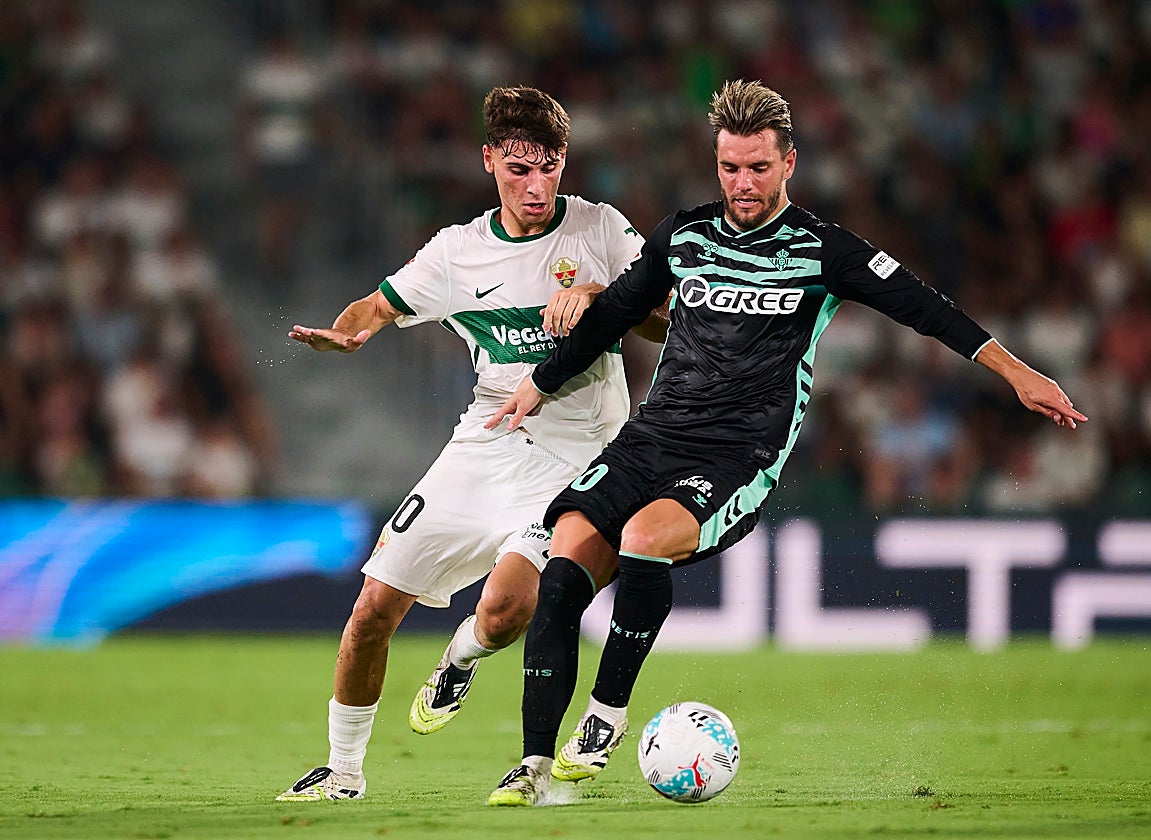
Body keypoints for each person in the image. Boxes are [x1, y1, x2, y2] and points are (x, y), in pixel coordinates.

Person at [483, 79, 1088, 806]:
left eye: (758, 168)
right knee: (562, 563)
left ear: (789, 164)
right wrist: (541, 383)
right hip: (651, 438)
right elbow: (614, 313)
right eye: (730, 168)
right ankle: (534, 767)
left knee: (643, 539)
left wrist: (1017, 373)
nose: (742, 183)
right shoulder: (683, 235)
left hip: (737, 455)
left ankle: (606, 718)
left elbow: (930, 311)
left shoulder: (824, 251)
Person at [276, 86, 664, 801]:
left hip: (576, 456)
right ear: (489, 162)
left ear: (563, 162)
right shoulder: (459, 252)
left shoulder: (600, 229)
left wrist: (606, 295)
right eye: (519, 169)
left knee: (504, 610)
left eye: (548, 166)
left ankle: (462, 655)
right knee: (369, 614)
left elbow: (666, 319)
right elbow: (377, 306)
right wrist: (350, 331)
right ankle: (343, 772)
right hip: (486, 441)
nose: (536, 184)